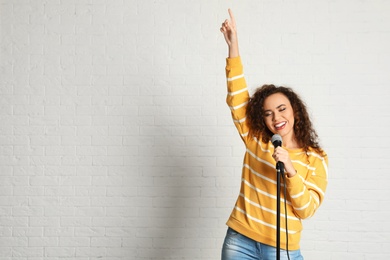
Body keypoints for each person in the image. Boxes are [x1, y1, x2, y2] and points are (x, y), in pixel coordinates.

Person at [219, 9, 328, 260]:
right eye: (268, 113)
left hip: (283, 248)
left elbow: (306, 209)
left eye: (281, 109)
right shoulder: (255, 139)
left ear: (295, 111)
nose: (276, 118)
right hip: (240, 241)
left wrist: (290, 169)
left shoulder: (315, 158)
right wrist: (233, 46)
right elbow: (237, 97)